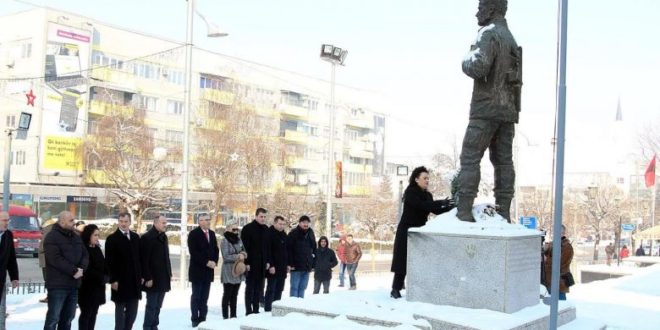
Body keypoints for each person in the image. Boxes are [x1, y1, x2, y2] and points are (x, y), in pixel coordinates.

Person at [455, 0, 522, 223]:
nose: (477, 13)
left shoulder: (488, 34)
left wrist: (466, 58)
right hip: (508, 111)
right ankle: (503, 212)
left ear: (491, 9)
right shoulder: (510, 38)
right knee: (504, 161)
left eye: (480, 8)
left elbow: (478, 66)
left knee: (470, 157)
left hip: (485, 109)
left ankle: (463, 211)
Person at [390, 166, 455, 299]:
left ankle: (418, 287)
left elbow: (434, 210)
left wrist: (450, 207)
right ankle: (395, 288)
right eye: (424, 178)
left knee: (419, 260)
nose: (427, 181)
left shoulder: (428, 195)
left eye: (428, 178)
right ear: (416, 179)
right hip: (407, 230)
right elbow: (422, 206)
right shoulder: (410, 192)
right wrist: (440, 202)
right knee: (403, 260)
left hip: (420, 230)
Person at [43, 211, 89, 330]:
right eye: (71, 220)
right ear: (62, 222)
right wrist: (73, 271)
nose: (74, 223)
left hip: (73, 285)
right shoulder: (52, 237)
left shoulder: (76, 236)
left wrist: (81, 269)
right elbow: (55, 259)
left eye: (73, 220)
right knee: (53, 319)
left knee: (68, 318)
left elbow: (85, 254)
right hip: (58, 285)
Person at [105, 212, 142, 330]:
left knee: (132, 313)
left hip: (134, 282)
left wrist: (141, 276)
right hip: (120, 282)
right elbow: (109, 262)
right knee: (120, 314)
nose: (123, 224)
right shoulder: (112, 239)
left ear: (130, 222)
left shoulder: (135, 237)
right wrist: (113, 279)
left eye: (126, 221)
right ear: (118, 222)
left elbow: (139, 258)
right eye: (121, 221)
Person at [140, 215, 172, 330]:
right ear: (155, 223)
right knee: (151, 306)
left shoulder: (163, 236)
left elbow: (166, 257)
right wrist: (147, 277)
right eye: (163, 223)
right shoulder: (147, 238)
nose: (165, 225)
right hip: (152, 279)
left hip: (163, 277)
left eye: (165, 222)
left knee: (158, 306)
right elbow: (144, 260)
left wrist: (169, 273)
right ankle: (147, 327)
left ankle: (154, 326)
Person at [187, 214, 219, 327]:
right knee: (196, 296)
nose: (208, 222)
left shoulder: (212, 233)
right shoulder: (193, 234)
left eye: (208, 220)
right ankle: (195, 319)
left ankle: (203, 318)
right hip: (197, 271)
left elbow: (215, 249)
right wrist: (206, 262)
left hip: (208, 271)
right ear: (200, 221)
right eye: (205, 220)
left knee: (205, 296)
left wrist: (215, 261)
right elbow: (194, 252)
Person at [240, 208, 269, 315]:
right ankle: (248, 310)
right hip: (251, 264)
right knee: (250, 288)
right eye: (261, 216)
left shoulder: (266, 229)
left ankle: (256, 309)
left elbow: (267, 247)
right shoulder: (248, 228)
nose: (263, 219)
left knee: (259, 288)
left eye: (265, 217)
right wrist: (246, 263)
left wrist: (267, 261)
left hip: (262, 264)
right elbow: (244, 248)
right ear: (256, 216)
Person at [78, 224, 107, 330]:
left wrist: (107, 275)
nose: (97, 237)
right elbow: (86, 269)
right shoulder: (83, 249)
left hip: (97, 288)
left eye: (98, 235)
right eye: (95, 235)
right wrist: (101, 277)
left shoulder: (97, 248)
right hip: (86, 289)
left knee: (94, 314)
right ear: (88, 235)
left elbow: (103, 264)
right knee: (86, 314)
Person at [220, 224, 246, 319]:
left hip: (238, 269)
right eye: (233, 229)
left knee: (235, 294)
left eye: (237, 229)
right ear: (228, 229)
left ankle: (233, 315)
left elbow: (244, 251)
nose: (236, 231)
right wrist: (238, 256)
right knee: (227, 294)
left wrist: (243, 254)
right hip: (228, 270)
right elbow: (226, 256)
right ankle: (225, 317)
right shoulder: (225, 240)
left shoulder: (238, 239)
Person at [287, 215, 316, 298]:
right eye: (304, 222)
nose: (306, 224)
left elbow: (314, 248)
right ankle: (293, 306)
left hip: (307, 266)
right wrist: (290, 264)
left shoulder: (311, 233)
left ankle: (300, 306)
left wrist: (313, 264)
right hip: (296, 266)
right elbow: (289, 249)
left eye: (307, 223)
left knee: (303, 287)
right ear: (299, 223)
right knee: (294, 288)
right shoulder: (293, 233)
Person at [264, 216, 289, 311]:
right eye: (280, 224)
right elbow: (267, 251)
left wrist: (287, 264)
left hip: (282, 267)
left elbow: (287, 251)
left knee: (279, 289)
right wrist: (271, 265)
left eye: (283, 224)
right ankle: (268, 309)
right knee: (271, 290)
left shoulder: (284, 235)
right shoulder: (269, 234)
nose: (282, 226)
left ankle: (276, 308)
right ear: (275, 223)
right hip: (273, 267)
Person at [543, 225, 574, 300]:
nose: (554, 234)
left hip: (559, 283)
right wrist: (545, 250)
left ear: (563, 233)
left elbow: (560, 263)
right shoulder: (552, 244)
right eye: (554, 232)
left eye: (557, 232)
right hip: (549, 281)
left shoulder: (567, 247)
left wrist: (546, 259)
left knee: (560, 305)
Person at [0, 211, 19, 305]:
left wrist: (14, 277)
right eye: (4, 220)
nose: (7, 223)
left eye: (8, 220)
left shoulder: (8, 235)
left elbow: (11, 258)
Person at [38, 218, 56, 303]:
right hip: (52, 259)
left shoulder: (48, 230)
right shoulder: (55, 230)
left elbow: (43, 245)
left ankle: (50, 297)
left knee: (48, 279)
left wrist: (40, 251)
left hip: (46, 259)